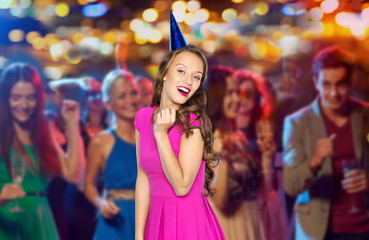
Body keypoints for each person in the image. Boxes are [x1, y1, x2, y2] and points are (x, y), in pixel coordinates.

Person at [134, 44, 225, 240]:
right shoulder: (143, 118)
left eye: (196, 76)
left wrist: (160, 134)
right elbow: (142, 178)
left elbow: (182, 187)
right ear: (165, 73)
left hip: (189, 223)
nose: (188, 81)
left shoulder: (194, 122)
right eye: (181, 70)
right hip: (156, 221)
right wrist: (139, 235)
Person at [283, 45, 369, 240]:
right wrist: (314, 161)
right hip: (319, 231)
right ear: (316, 82)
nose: (334, 93)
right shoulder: (297, 123)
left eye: (341, 84)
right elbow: (290, 184)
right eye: (326, 84)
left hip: (364, 227)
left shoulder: (365, 115)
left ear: (351, 81)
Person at [0, 62, 84, 240]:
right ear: (5, 98)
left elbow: (72, 174)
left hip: (40, 222)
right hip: (6, 227)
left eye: (30, 97)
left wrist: (72, 123)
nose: (24, 105)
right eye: (16, 97)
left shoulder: (43, 131)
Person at [205, 65, 274, 240]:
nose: (237, 99)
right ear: (216, 97)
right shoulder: (209, 142)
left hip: (252, 220)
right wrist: (222, 156)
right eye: (229, 93)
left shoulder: (239, 138)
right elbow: (219, 201)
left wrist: (267, 158)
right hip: (228, 226)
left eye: (237, 92)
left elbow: (261, 192)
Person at [84, 69, 140, 240]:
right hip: (115, 223)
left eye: (133, 93)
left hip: (148, 219)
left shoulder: (152, 138)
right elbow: (88, 185)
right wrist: (101, 204)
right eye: (122, 96)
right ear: (108, 104)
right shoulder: (101, 141)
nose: (130, 100)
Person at [235, 69, 287, 240]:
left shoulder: (262, 128)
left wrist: (267, 157)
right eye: (237, 92)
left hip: (261, 201)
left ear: (258, 97)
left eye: (247, 93)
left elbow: (267, 181)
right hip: (235, 204)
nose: (242, 98)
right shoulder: (224, 129)